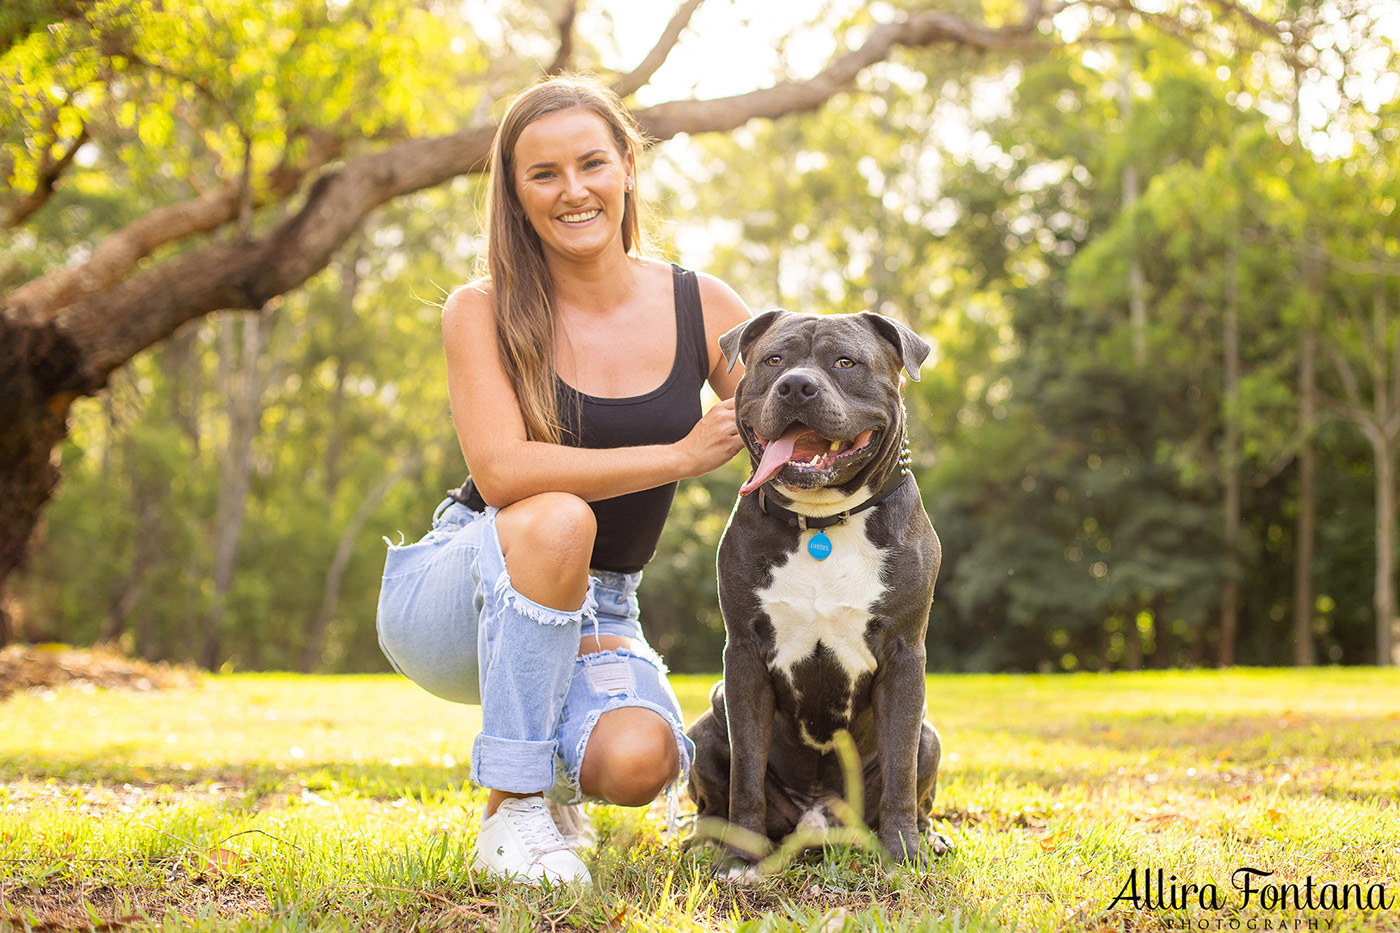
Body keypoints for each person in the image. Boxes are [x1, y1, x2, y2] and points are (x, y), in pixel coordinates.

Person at [374, 72, 751, 887]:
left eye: (591, 164)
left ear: (626, 167)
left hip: (604, 602)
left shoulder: (702, 304)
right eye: (543, 174)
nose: (572, 190)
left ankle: (552, 764)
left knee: (640, 760)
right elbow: (503, 472)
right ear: (515, 195)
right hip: (467, 585)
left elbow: (786, 423)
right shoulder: (481, 307)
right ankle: (512, 809)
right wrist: (680, 456)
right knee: (556, 516)